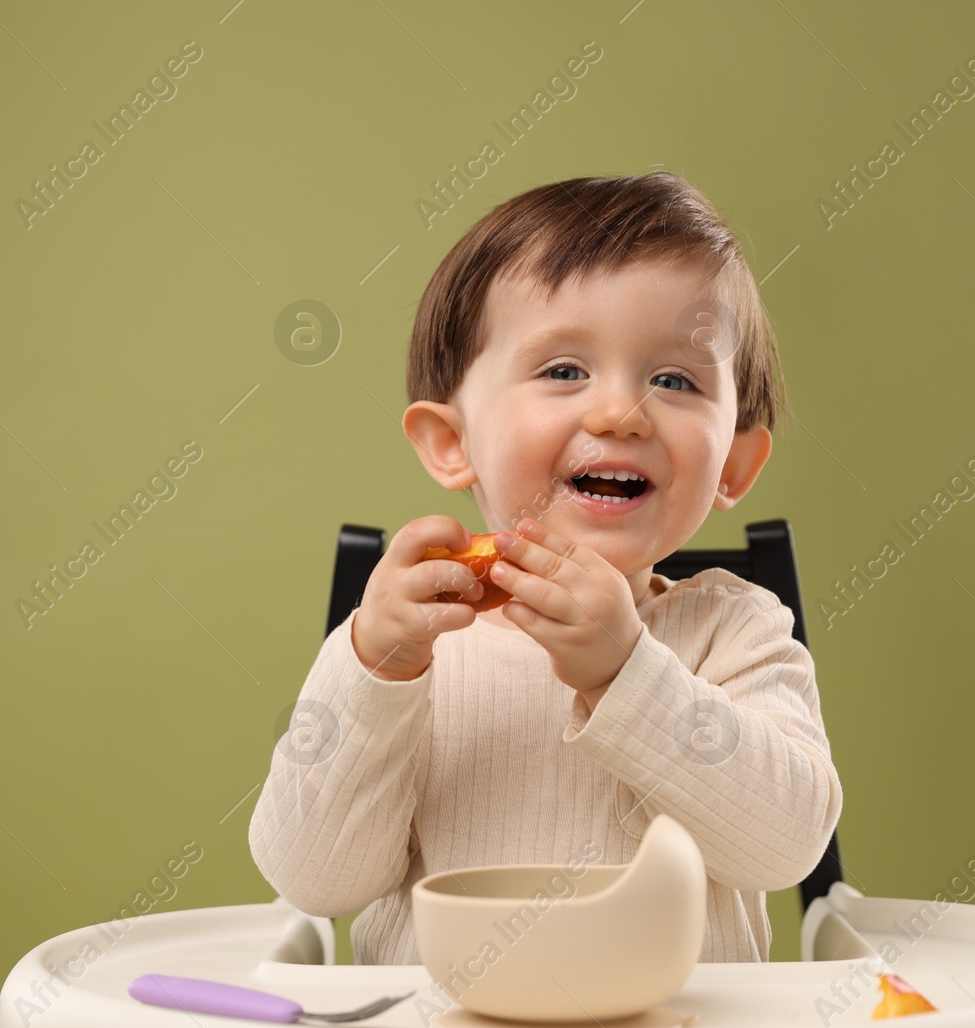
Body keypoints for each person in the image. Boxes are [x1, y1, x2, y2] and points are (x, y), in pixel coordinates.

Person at [249, 171, 841, 967]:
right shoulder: (410, 646)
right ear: (451, 442)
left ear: (735, 462)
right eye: (563, 370)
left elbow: (785, 845)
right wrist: (375, 669)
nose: (619, 413)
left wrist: (626, 674)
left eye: (675, 379)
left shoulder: (736, 631)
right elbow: (313, 877)